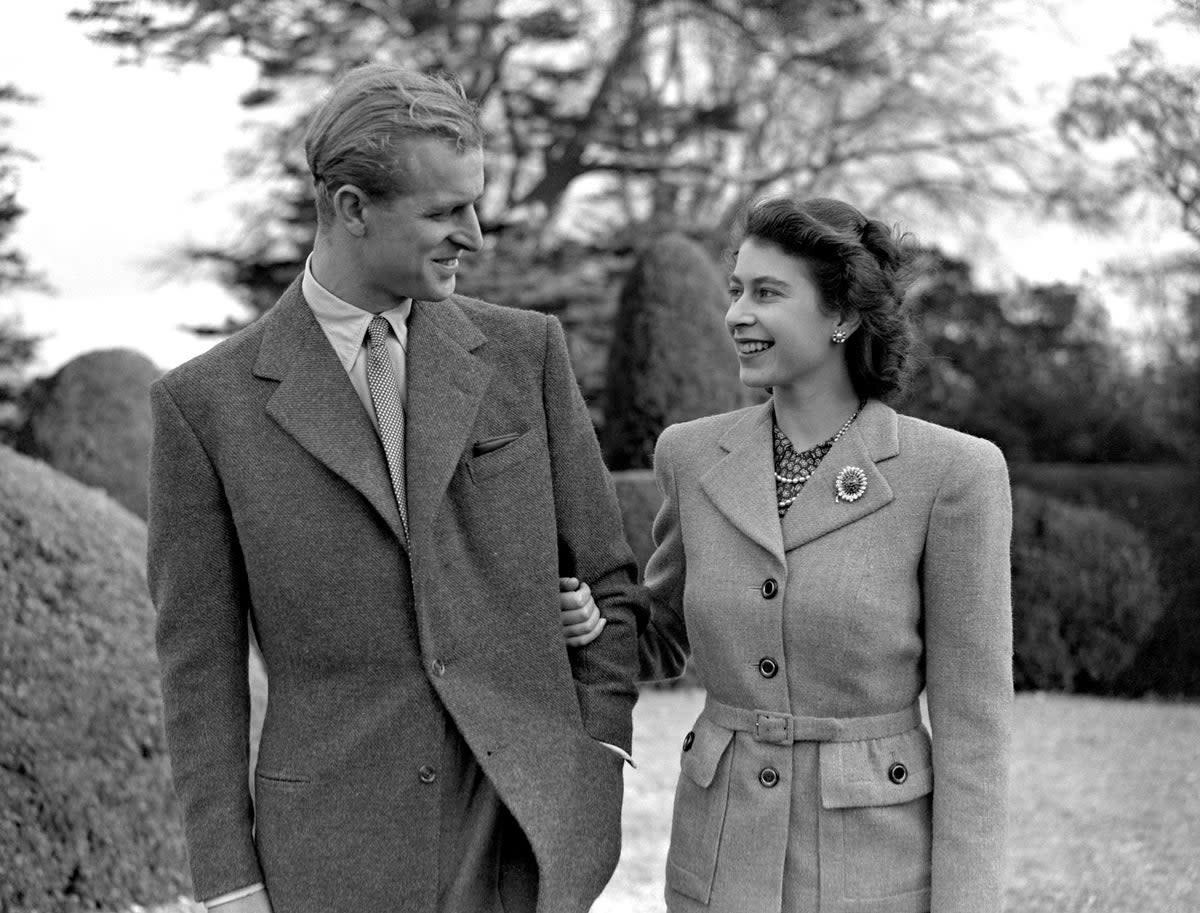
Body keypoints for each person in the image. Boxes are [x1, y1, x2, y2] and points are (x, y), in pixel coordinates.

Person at [147, 63, 646, 913]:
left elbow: (608, 582)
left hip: (523, 843)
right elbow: (200, 672)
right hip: (330, 860)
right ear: (349, 207)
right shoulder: (206, 406)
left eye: (475, 204)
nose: (476, 236)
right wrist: (230, 885)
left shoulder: (527, 355)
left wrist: (595, 759)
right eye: (446, 212)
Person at [561, 196, 1013, 912]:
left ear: (843, 314)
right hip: (719, 859)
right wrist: (594, 622)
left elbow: (974, 731)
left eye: (767, 293)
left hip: (875, 871)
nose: (737, 313)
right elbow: (663, 637)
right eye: (735, 290)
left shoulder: (953, 473)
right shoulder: (691, 453)